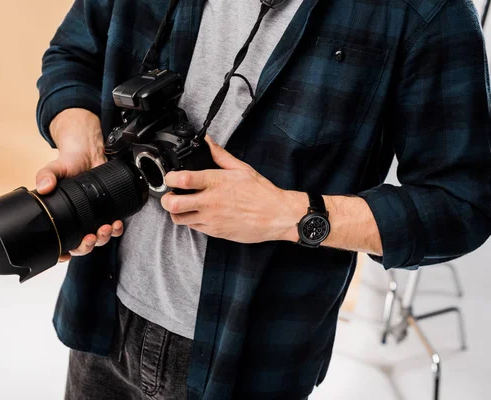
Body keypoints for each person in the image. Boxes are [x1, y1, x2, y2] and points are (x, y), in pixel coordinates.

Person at [34, 0, 491, 398]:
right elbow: (73, 54)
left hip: (248, 364)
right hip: (101, 315)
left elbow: (461, 204)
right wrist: (82, 144)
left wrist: (290, 215)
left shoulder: (429, 11)